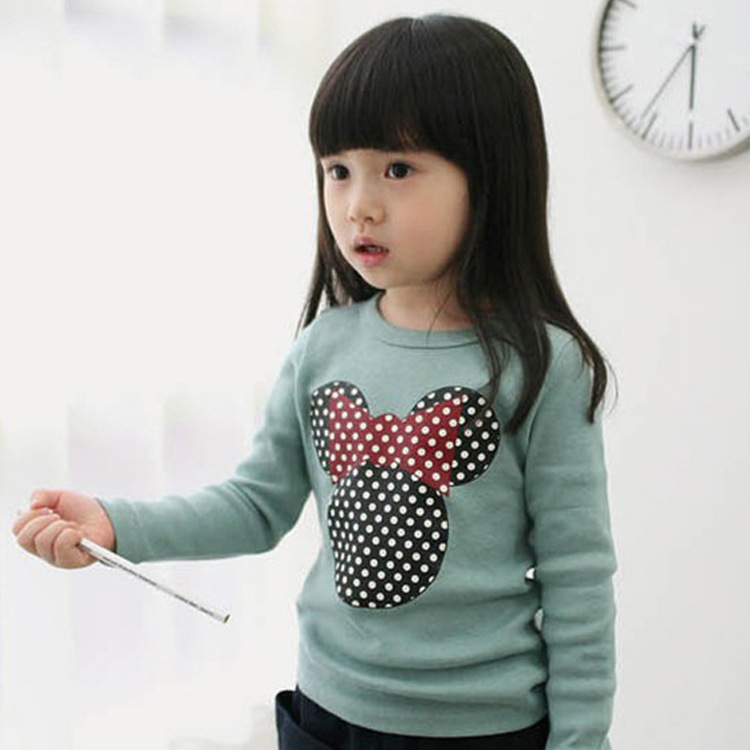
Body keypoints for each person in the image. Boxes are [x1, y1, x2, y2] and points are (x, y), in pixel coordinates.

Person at [13, 13, 618, 750]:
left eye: (397, 169)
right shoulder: (324, 347)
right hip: (327, 715)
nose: (358, 204)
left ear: (489, 174)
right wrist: (115, 526)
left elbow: (577, 582)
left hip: (483, 732)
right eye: (338, 170)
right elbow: (256, 505)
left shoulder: (546, 366)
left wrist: (581, 741)